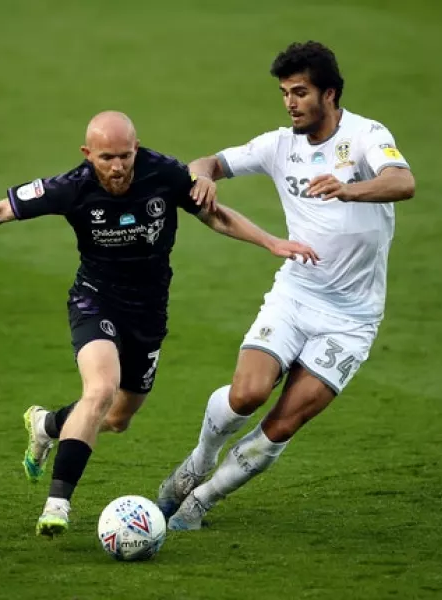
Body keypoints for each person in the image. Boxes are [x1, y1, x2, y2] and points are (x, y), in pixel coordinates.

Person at [0, 111, 318, 537]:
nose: (119, 166)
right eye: (107, 158)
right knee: (100, 389)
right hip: (95, 302)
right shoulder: (72, 186)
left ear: (136, 149)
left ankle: (47, 425)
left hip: (148, 313)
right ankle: (57, 505)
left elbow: (215, 215)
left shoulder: (163, 173)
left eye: (125, 155)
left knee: (119, 417)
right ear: (88, 155)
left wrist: (271, 241)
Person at [156, 41, 416, 530]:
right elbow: (207, 162)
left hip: (352, 318)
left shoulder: (366, 137)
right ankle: (196, 463)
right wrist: (201, 177)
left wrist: (349, 188)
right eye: (284, 93)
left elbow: (403, 181)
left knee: (281, 424)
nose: (290, 103)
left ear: (330, 94)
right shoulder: (279, 145)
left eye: (300, 92)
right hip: (297, 294)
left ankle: (200, 503)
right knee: (246, 395)